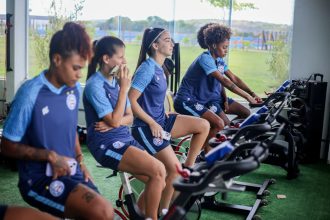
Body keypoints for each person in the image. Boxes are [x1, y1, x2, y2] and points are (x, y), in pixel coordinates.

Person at [0, 22, 113, 220]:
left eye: (82, 68)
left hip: (71, 169)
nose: (79, 75)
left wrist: (80, 161)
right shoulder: (30, 93)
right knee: (100, 212)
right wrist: (50, 156)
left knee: (104, 212)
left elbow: (70, 132)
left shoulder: (73, 88)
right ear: (57, 59)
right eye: (76, 68)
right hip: (39, 178)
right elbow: (7, 146)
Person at [83, 36, 166, 220]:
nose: (124, 62)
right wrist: (123, 91)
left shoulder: (116, 81)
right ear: (106, 59)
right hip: (106, 145)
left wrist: (115, 121)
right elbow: (114, 119)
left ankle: (140, 217)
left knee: (159, 179)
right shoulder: (94, 85)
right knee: (158, 170)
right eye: (120, 57)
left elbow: (128, 117)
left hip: (124, 138)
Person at [128, 27, 210, 213]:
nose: (172, 43)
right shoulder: (147, 68)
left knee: (203, 125)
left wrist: (164, 112)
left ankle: (188, 168)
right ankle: (165, 214)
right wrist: (151, 122)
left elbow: (153, 98)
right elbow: (131, 101)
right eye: (167, 40)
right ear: (155, 45)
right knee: (171, 171)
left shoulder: (160, 68)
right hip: (146, 127)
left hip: (161, 121)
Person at [174, 23, 259, 153]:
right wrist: (247, 97)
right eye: (224, 47)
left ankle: (207, 151)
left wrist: (252, 94)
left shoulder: (219, 61)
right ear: (214, 45)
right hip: (187, 100)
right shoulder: (205, 59)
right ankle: (200, 153)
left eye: (227, 47)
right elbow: (224, 81)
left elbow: (233, 79)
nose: (226, 50)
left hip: (207, 100)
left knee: (244, 114)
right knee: (220, 124)